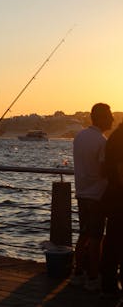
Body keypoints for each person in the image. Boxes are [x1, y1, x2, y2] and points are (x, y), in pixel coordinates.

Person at [72, 103, 113, 291]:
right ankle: (93, 277)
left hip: (82, 193)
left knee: (84, 235)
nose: (112, 119)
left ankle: (78, 273)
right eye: (109, 115)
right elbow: (104, 170)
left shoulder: (79, 137)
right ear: (100, 117)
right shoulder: (101, 141)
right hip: (97, 196)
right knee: (96, 238)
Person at [101, 122, 123, 295]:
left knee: (112, 244)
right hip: (119, 199)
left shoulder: (114, 137)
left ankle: (108, 286)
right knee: (115, 243)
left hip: (113, 198)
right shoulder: (119, 139)